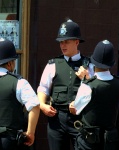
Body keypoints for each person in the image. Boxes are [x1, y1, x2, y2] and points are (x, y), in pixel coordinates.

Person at [37, 18, 94, 150]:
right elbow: (43, 87)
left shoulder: (89, 65)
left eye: (66, 42)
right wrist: (42, 105)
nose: (63, 45)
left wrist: (87, 78)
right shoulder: (53, 64)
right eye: (61, 42)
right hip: (57, 118)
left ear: (77, 42)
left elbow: (95, 90)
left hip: (80, 119)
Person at [69, 40, 119, 150]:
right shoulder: (118, 83)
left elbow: (75, 109)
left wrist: (85, 79)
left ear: (94, 62)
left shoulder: (88, 86)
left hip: (89, 142)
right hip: (110, 142)